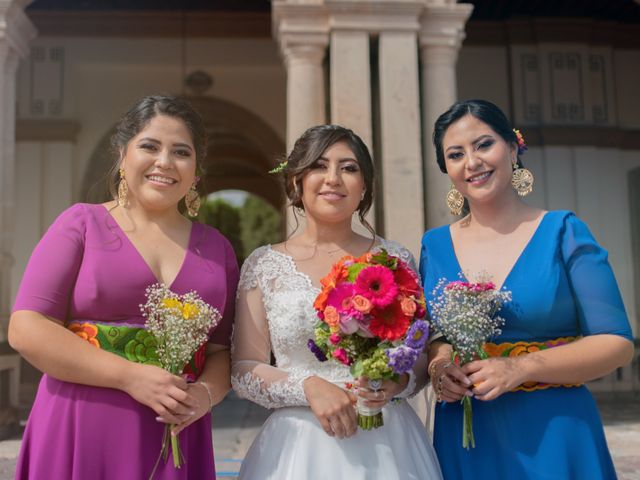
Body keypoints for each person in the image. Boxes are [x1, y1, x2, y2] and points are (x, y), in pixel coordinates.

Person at [8, 95, 239, 479]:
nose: (164, 161)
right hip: (80, 423)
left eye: (181, 152)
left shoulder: (217, 249)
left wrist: (203, 395)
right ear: (122, 155)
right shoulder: (80, 224)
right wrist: (130, 377)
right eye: (150, 146)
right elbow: (26, 327)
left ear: (196, 172)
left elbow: (221, 352)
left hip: (178, 430)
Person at [421, 99, 634, 479]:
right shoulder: (433, 246)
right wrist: (440, 367)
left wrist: (519, 367)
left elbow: (616, 344)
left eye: (484, 145)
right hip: (468, 435)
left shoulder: (563, 232)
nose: (472, 162)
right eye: (455, 154)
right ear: (447, 170)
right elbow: (433, 335)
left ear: (513, 147)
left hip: (553, 431)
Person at [231, 124, 442, 479]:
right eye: (319, 166)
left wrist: (397, 382)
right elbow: (244, 368)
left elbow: (419, 357)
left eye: (349, 168)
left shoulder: (395, 259)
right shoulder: (264, 265)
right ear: (297, 181)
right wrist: (308, 386)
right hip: (298, 449)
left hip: (388, 442)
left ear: (364, 187)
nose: (333, 178)